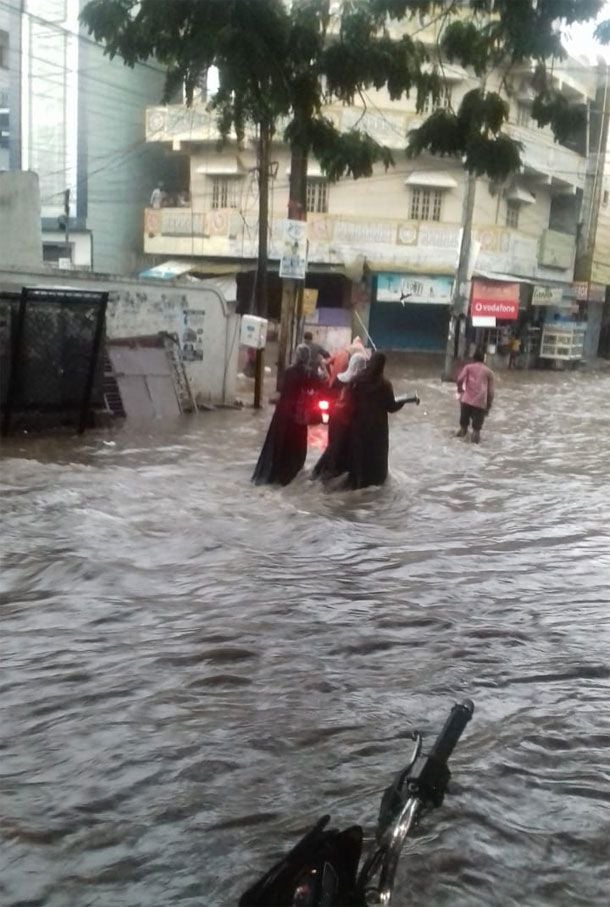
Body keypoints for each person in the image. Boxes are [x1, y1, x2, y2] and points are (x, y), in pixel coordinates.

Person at [252, 345, 320, 486]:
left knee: (280, 447)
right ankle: (293, 476)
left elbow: (284, 394)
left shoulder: (290, 372)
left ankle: (275, 476)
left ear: (297, 355)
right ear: (308, 357)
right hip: (300, 420)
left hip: (284, 418)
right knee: (298, 449)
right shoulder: (311, 373)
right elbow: (318, 388)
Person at [346, 352, 407, 489]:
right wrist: (403, 401)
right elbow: (391, 407)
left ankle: (357, 484)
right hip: (377, 430)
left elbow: (349, 402)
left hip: (358, 427)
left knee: (359, 458)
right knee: (376, 460)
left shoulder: (356, 381)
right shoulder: (384, 385)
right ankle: (375, 488)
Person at [312, 352, 368, 481]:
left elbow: (330, 394)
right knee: (343, 447)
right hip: (347, 420)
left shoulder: (340, 378)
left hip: (335, 418)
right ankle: (334, 473)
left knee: (333, 446)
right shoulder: (361, 382)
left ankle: (322, 473)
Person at [456, 348, 495, 444]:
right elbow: (491, 392)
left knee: (463, 428)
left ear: (473, 358)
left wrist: (460, 390)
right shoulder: (489, 372)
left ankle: (456, 449)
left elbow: (460, 379)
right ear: (484, 359)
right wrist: (488, 405)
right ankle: (475, 453)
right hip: (480, 403)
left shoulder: (468, 367)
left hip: (466, 400)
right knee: (476, 431)